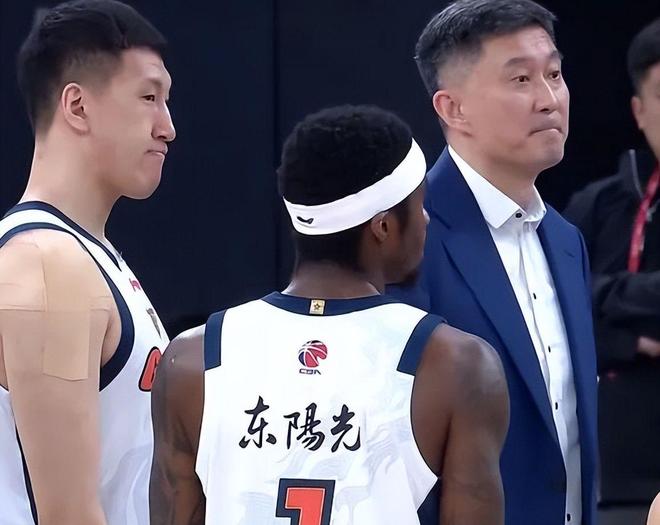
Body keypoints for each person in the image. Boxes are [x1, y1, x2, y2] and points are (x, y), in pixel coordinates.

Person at [150, 105, 509, 524]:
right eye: (420, 205)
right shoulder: (457, 365)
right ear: (383, 227)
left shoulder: (192, 359)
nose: (426, 220)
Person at [389, 1, 598, 524]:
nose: (549, 99)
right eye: (521, 79)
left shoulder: (566, 240)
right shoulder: (409, 237)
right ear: (453, 108)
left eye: (554, 74)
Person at [0, 1, 175, 524]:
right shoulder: (46, 264)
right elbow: (68, 515)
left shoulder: (85, 255)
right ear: (77, 106)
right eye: (149, 97)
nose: (167, 127)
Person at [563, 17, 660, 525]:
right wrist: (631, 340)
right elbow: (555, 313)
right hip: (615, 478)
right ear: (639, 112)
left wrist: (608, 295)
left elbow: (589, 296)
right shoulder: (598, 206)